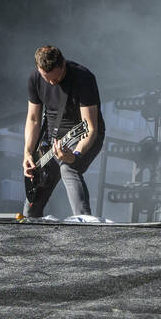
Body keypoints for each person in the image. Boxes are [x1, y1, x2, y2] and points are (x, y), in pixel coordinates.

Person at [23, 46, 105, 218]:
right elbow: (33, 119)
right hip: (52, 142)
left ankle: (84, 223)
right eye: (47, 79)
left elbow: (90, 127)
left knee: (68, 168)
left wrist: (75, 155)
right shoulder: (35, 78)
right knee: (33, 200)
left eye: (56, 77)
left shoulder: (83, 78)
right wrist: (28, 152)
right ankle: (29, 231)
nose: (52, 83)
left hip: (82, 136)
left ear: (63, 64)